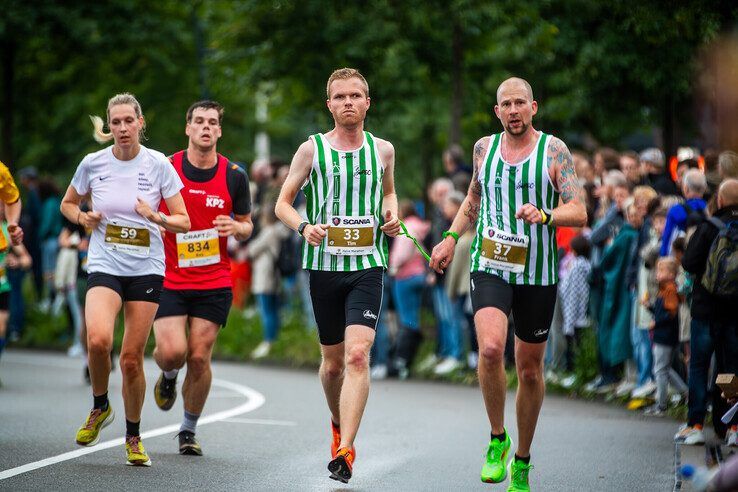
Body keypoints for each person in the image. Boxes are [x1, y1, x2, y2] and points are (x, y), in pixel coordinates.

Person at [430, 77, 587, 491]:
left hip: (537, 270)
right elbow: (473, 200)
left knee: (530, 370)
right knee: (492, 348)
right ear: (497, 111)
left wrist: (547, 216)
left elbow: (580, 210)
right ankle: (498, 440)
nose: (514, 110)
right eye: (506, 104)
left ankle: (522, 459)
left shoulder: (554, 151)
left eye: (521, 103)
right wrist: (449, 237)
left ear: (534, 107)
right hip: (491, 262)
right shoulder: (484, 149)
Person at [275, 68, 401, 483]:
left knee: (357, 355)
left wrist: (391, 213)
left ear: (368, 102)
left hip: (367, 265)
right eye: (340, 96)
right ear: (329, 104)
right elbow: (283, 204)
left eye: (356, 96)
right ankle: (336, 421)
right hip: (324, 268)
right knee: (332, 366)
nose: (349, 102)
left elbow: (388, 192)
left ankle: (345, 449)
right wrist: (303, 227)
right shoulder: (311, 150)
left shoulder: (383, 150)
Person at [60, 93, 190, 466]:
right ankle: (100, 406)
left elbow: (183, 220)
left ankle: (133, 436)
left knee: (132, 360)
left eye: (127, 122)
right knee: (98, 340)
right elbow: (68, 203)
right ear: (108, 126)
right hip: (104, 263)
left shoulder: (159, 164)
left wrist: (155, 216)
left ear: (140, 123)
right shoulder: (92, 163)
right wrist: (82, 218)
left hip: (146, 268)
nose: (121, 129)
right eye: (115, 122)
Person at [150, 100, 252, 455]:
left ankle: (188, 430)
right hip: (169, 277)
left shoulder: (234, 175)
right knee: (173, 353)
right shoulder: (166, 168)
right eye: (199, 121)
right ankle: (167, 375)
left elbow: (247, 224)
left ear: (219, 131)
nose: (206, 127)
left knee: (199, 357)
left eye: (212, 122)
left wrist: (236, 226)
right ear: (188, 128)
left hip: (213, 280)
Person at [677, 179, 738, 446]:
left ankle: (696, 424)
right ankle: (733, 426)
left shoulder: (708, 227)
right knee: (730, 368)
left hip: (705, 309)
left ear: (720, 200)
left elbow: (689, 263)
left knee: (700, 366)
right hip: (734, 312)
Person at [388, 200, 430, 378]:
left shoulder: (407, 227)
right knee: (414, 318)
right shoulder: (422, 226)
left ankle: (402, 361)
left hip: (404, 277)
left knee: (406, 320)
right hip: (419, 274)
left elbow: (402, 252)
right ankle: (408, 359)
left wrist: (393, 266)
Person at [642, 257, 688, 417]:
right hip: (664, 336)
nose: (657, 274)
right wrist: (650, 307)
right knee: (665, 368)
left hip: (665, 337)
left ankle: (661, 405)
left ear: (671, 273)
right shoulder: (664, 289)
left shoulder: (670, 290)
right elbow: (662, 312)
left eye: (661, 270)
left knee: (660, 370)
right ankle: (685, 392)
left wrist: (656, 323)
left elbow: (671, 314)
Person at [0, 203, 31, 384]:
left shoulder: (7, 230)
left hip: (2, 285)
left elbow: (27, 259)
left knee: (2, 328)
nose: (2, 208)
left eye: (3, 205)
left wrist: (17, 262)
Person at [248, 206, 283, 359]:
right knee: (273, 310)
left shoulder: (269, 232)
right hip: (273, 275)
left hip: (265, 276)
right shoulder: (279, 231)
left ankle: (268, 341)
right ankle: (273, 340)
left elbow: (252, 249)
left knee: (267, 310)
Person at [660, 168, 707, 256]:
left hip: (680, 260)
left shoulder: (675, 211)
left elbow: (667, 241)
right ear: (704, 189)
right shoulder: (710, 210)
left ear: (685, 188)